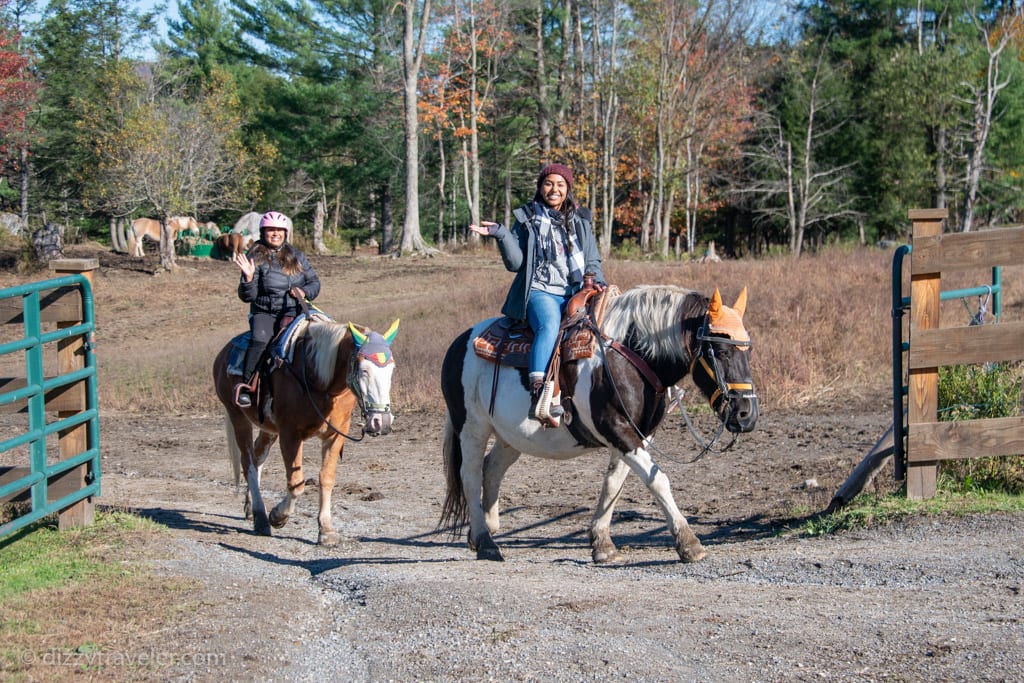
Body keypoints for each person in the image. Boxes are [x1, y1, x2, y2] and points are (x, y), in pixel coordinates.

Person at [469, 163, 606, 422]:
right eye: (548, 183)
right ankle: (540, 390)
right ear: (540, 187)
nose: (554, 189)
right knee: (550, 325)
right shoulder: (527, 218)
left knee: (605, 324)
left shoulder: (580, 221)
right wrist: (501, 234)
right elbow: (516, 264)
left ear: (568, 189)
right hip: (540, 291)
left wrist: (597, 280)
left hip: (575, 291)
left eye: (560, 184)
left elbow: (592, 260)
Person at [232, 210, 321, 407]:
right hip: (266, 313)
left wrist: (304, 292)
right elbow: (248, 297)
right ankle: (246, 387)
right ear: (263, 232)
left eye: (279, 230)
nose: (275, 234)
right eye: (271, 230)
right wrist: (247, 278)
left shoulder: (297, 255)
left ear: (285, 233)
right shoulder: (255, 256)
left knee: (321, 337)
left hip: (296, 311)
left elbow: (314, 282)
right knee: (260, 339)